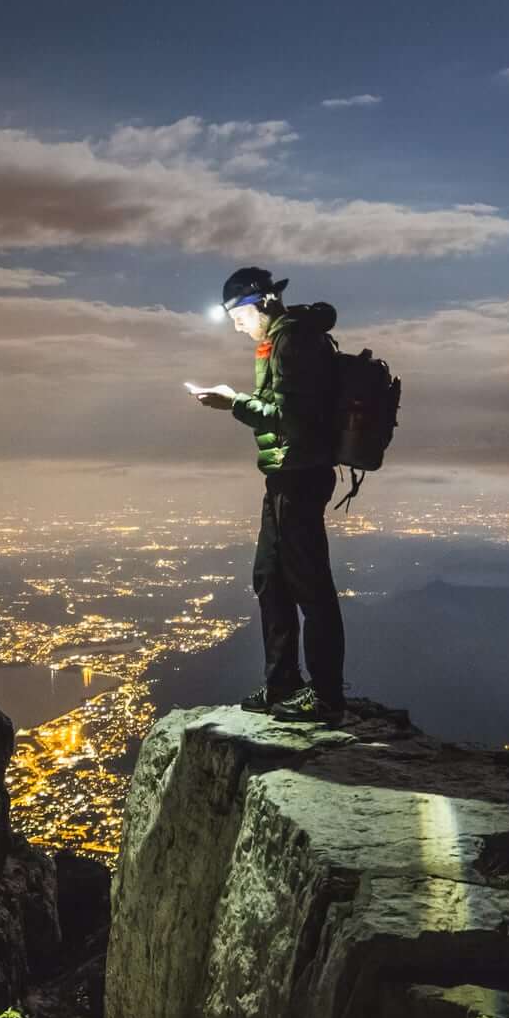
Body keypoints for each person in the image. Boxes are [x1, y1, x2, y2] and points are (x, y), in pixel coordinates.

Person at [191, 266, 347, 727]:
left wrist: (232, 402)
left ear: (261, 303)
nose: (235, 324)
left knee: (310, 585)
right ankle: (282, 682)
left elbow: (291, 418)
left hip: (300, 476)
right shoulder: (280, 340)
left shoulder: (292, 341)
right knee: (270, 578)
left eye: (237, 313)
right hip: (286, 476)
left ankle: (325, 695)